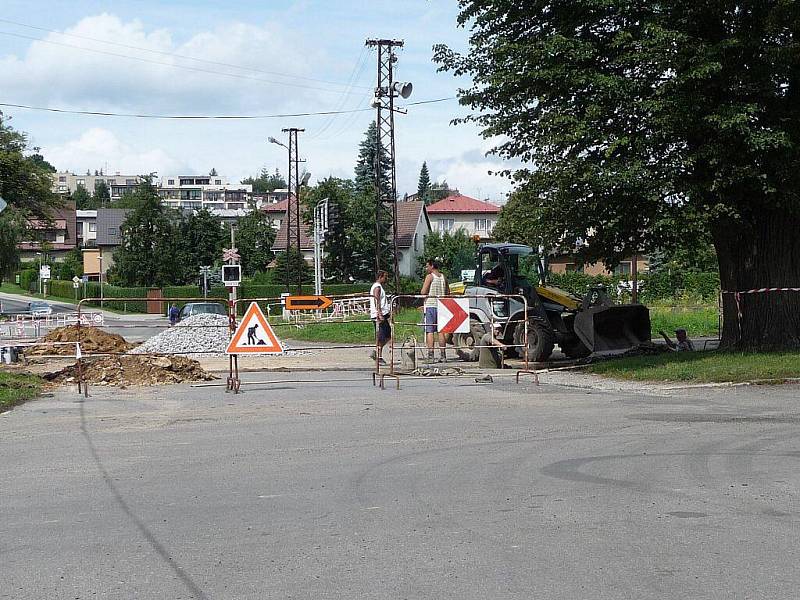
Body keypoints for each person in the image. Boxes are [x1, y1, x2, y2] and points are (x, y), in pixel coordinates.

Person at [420, 258, 450, 362]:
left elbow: (423, 292)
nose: (426, 268)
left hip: (431, 305)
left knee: (430, 331)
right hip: (442, 305)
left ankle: (431, 355)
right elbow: (447, 292)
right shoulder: (443, 277)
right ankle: (443, 355)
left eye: (427, 266)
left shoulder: (429, 277)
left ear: (432, 266)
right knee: (441, 331)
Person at [370, 270, 392, 365]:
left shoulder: (380, 287)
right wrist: (379, 313)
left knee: (387, 335)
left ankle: (377, 351)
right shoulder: (377, 287)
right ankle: (378, 355)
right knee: (381, 336)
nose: (386, 279)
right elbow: (376, 300)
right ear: (380, 277)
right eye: (385, 277)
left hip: (383, 314)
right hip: (378, 315)